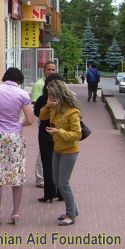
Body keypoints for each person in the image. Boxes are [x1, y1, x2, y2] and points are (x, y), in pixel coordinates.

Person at [0, 68, 34, 226]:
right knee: (16, 176)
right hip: (14, 137)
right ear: (19, 80)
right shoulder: (23, 94)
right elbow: (30, 119)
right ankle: (15, 213)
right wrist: (18, 124)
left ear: (5, 77)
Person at [39, 80, 81, 226]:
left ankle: (70, 215)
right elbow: (42, 116)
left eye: (51, 95)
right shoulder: (55, 107)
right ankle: (73, 210)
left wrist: (59, 131)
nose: (48, 97)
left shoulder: (72, 111)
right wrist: (47, 105)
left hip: (69, 150)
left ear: (58, 95)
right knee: (56, 181)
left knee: (63, 183)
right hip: (57, 148)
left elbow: (77, 134)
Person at [33, 73, 64, 203]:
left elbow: (36, 113)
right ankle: (61, 192)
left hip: (45, 133)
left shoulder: (43, 99)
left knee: (47, 163)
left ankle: (49, 194)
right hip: (60, 133)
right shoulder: (64, 100)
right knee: (61, 163)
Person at [31, 61, 57, 188]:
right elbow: (37, 108)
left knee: (55, 150)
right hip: (45, 121)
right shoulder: (39, 85)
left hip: (57, 122)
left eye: (53, 70)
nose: (51, 72)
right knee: (44, 151)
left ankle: (52, 177)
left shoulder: (57, 85)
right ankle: (41, 179)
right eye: (48, 70)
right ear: (43, 70)